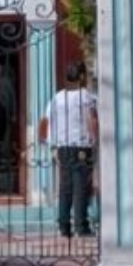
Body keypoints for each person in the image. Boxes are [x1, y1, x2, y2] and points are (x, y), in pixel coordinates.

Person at [37, 62, 98, 239]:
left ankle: (64, 227)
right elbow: (92, 120)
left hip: (62, 147)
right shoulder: (86, 96)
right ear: (81, 76)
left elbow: (44, 121)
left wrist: (49, 144)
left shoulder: (57, 97)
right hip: (80, 146)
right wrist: (94, 141)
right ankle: (81, 226)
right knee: (81, 187)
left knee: (65, 187)